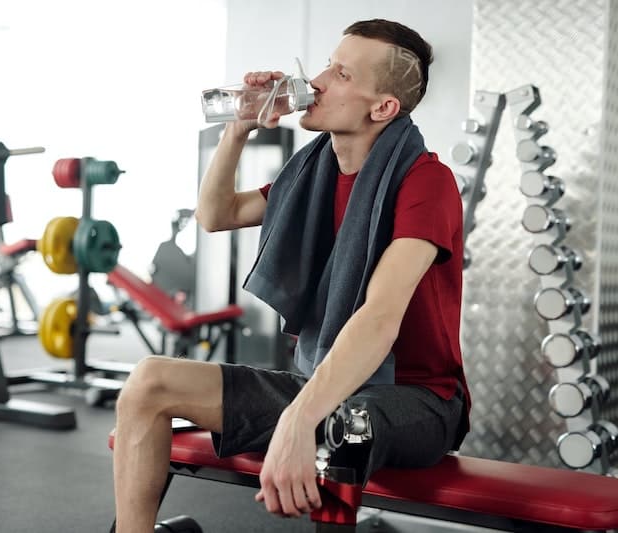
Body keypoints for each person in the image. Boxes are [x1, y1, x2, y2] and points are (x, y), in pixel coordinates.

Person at [112, 18, 471, 532]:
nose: (319, 81)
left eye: (342, 74)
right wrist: (239, 127)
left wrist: (301, 417)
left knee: (345, 424)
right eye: (328, 63)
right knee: (150, 381)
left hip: (419, 400)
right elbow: (215, 215)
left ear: (383, 107)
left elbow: (380, 314)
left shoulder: (426, 181)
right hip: (322, 385)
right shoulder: (311, 174)